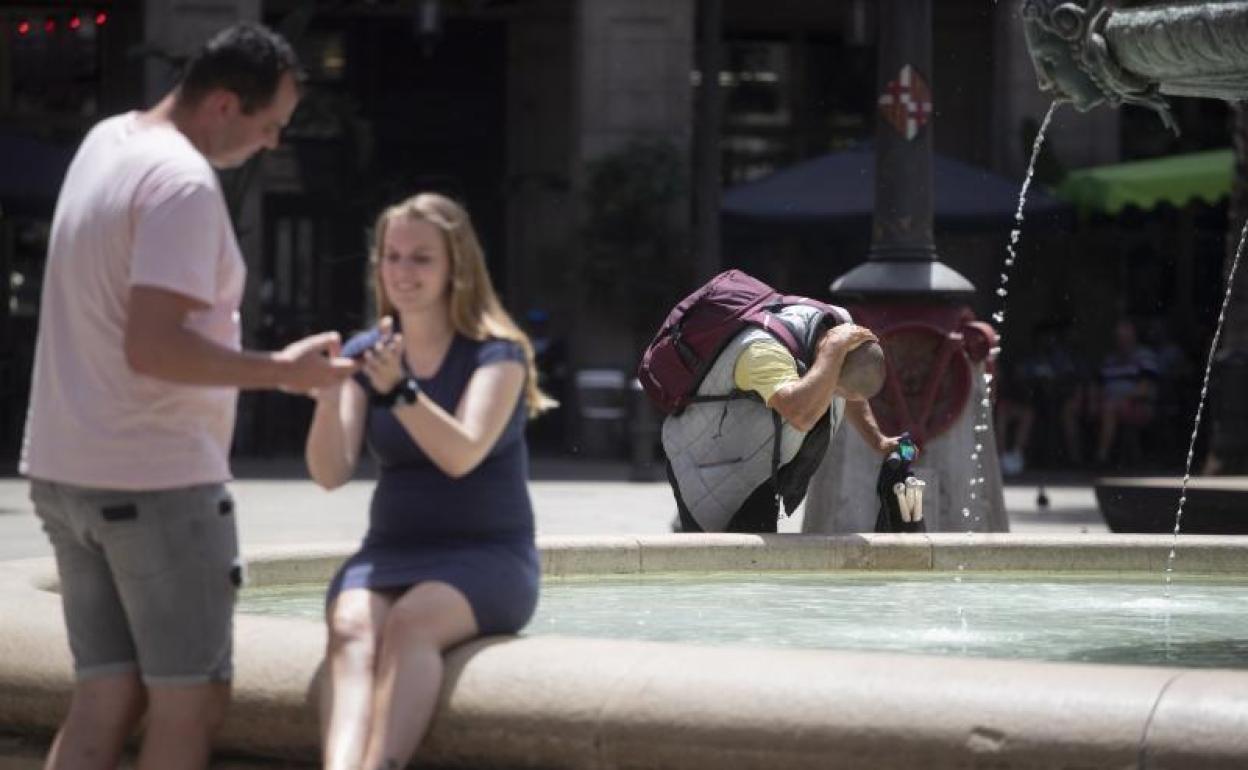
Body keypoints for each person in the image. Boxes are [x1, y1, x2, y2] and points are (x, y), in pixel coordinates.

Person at [18, 23, 356, 770]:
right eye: (271, 126)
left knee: (104, 696)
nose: (272, 144)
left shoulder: (108, 141)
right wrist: (285, 372)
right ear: (225, 104)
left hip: (65, 467)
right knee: (189, 700)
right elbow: (155, 346)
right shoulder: (182, 184)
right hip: (155, 478)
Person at [306, 193, 554, 770]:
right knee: (349, 627)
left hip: (487, 557)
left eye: (421, 258)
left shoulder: (499, 353)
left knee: (411, 623)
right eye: (392, 256)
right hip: (389, 551)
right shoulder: (368, 354)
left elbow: (461, 454)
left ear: (455, 268)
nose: (402, 271)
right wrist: (323, 396)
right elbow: (330, 473)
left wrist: (401, 391)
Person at [663, 302, 899, 533]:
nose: (834, 400)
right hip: (710, 460)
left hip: (757, 461)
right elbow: (800, 415)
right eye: (834, 392)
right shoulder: (764, 352)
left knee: (755, 558)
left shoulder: (841, 332)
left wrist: (877, 440)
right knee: (721, 559)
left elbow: (848, 389)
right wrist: (833, 351)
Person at [1093, 318, 1159, 467]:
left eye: (1125, 338)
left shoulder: (1145, 357)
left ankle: (1102, 457)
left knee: (1109, 408)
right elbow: (1098, 384)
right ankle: (1076, 459)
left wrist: (1119, 399)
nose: (1122, 342)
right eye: (1119, 338)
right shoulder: (1109, 360)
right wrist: (1094, 399)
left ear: (1133, 337)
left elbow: (1145, 388)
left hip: (1137, 405)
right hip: (1107, 403)